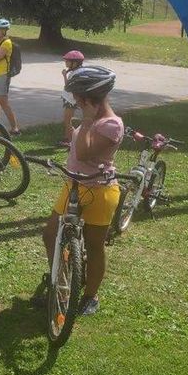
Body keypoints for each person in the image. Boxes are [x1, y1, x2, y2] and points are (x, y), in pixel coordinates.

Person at [37, 65, 123, 317]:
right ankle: (61, 285)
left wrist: (86, 121)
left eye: (77, 97)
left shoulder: (112, 125)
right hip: (74, 185)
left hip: (100, 191)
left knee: (94, 245)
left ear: (89, 98)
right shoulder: (91, 118)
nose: (74, 101)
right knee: (50, 235)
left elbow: (84, 153)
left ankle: (90, 295)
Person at [0, 19, 21, 136]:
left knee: (3, 102)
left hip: (2, 75)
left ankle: (15, 128)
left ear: (4, 31)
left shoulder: (7, 43)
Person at [59, 50, 85, 146]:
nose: (65, 62)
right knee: (67, 120)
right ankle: (67, 139)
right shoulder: (77, 72)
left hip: (71, 101)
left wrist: (64, 76)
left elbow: (68, 87)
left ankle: (74, 140)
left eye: (67, 61)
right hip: (70, 100)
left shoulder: (75, 74)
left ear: (75, 63)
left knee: (67, 121)